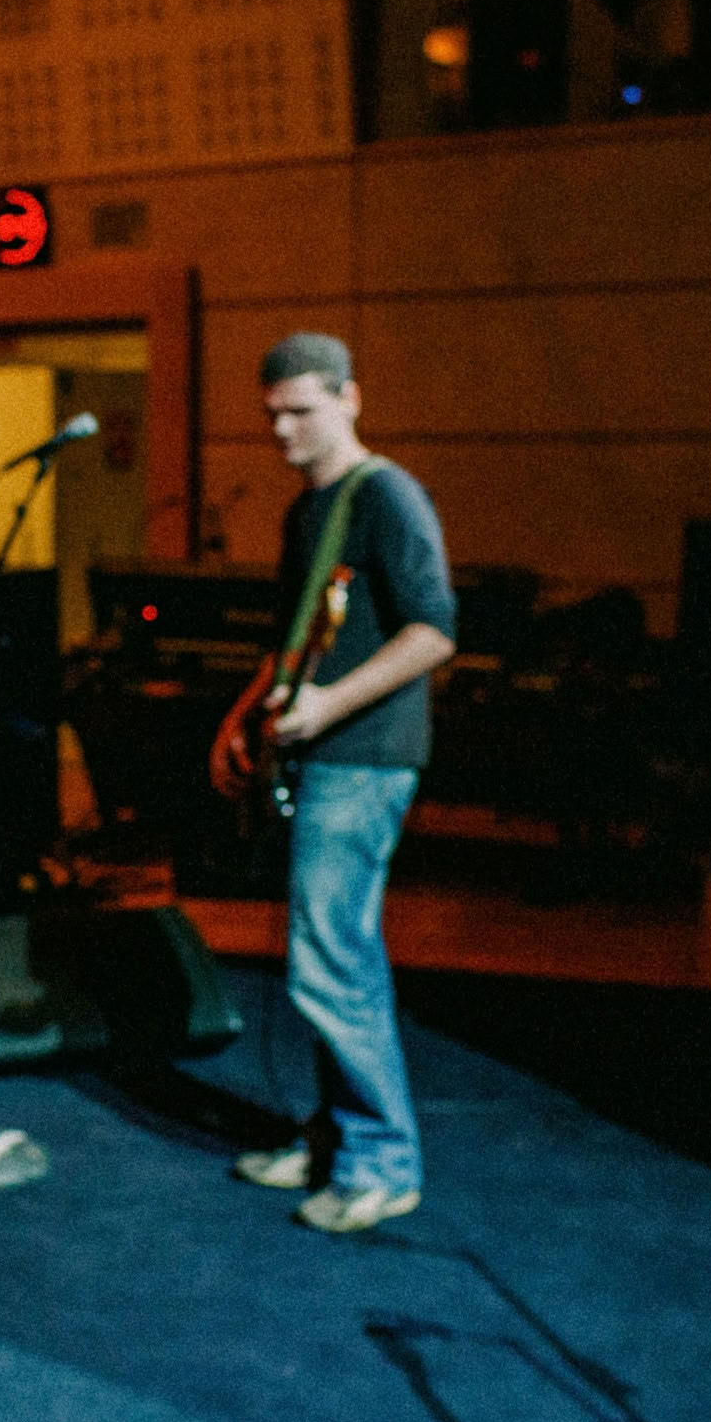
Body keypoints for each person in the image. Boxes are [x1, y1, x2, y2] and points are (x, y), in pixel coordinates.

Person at [209, 333, 455, 1234]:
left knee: (333, 960)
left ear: (351, 398)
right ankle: (332, 1139)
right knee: (325, 954)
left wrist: (327, 707)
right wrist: (245, 718)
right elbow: (292, 642)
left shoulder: (387, 496)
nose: (282, 429)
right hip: (323, 752)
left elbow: (434, 630)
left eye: (301, 410)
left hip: (369, 754)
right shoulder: (307, 513)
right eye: (271, 412)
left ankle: (382, 1161)